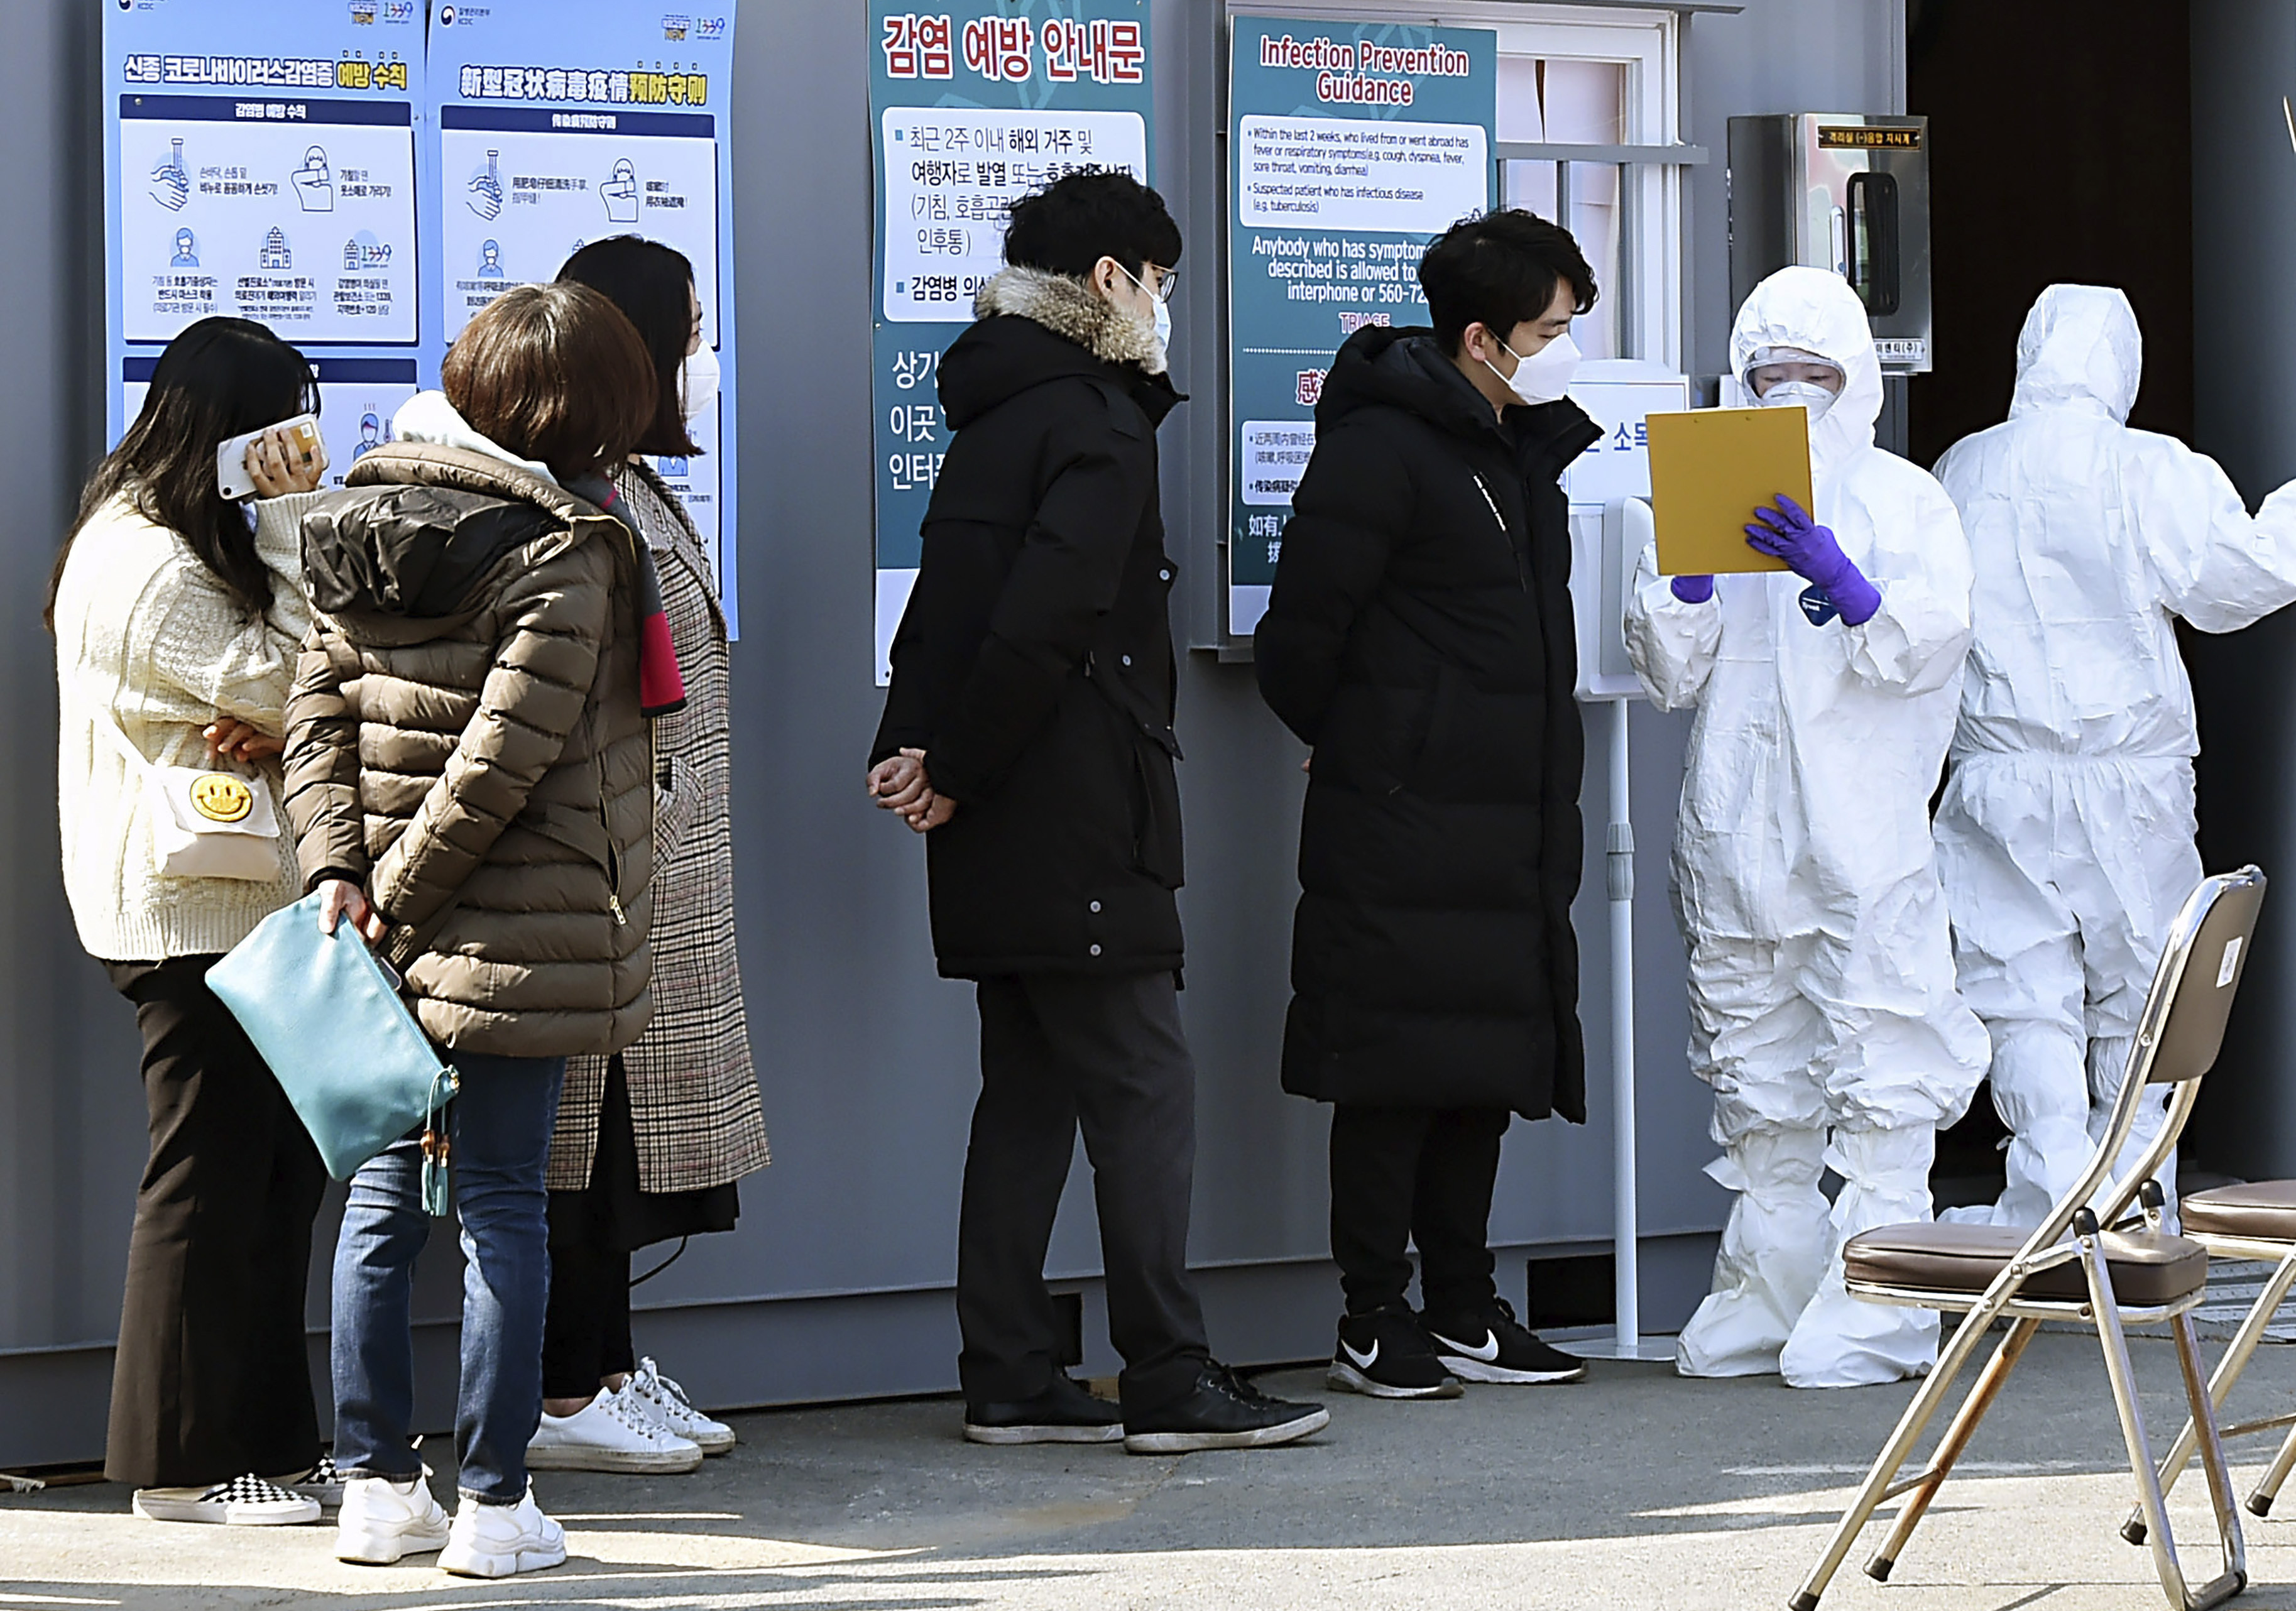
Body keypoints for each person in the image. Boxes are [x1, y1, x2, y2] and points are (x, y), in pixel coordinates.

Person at [867, 170, 1326, 1454]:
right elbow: (1047, 617)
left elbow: (947, 593)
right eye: (1162, 283)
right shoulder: (1099, 418)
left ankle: (1008, 1374)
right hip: (1074, 804)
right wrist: (946, 760)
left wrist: (913, 749)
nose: (1167, 308)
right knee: (1141, 1088)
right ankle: (1168, 1380)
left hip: (996, 809)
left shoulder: (991, 408)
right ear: (1114, 281)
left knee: (1024, 1091)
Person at [287, 282, 667, 1576]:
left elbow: (315, 717)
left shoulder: (356, 518)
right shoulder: (567, 550)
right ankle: (495, 1510)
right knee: (502, 1201)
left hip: (383, 926)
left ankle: (378, 1491)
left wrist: (343, 874)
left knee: (383, 1200)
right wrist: (398, 897)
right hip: (520, 931)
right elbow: (503, 764)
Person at [1932, 284, 2296, 1228]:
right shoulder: (2150, 468)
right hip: (2127, 780)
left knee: (2020, 992)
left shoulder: (1964, 468)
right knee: (2143, 994)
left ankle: (2049, 1202)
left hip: (1996, 777)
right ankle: (2130, 1202)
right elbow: (2234, 578)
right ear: (2120, 365)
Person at [1253, 209, 1600, 1399]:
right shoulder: (1383, 449)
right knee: (1392, 1070)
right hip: (1404, 816)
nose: (1562, 349)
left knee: (1483, 1068)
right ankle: (1371, 1312)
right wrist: (1370, 749)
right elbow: (1299, 637)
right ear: (1480, 336)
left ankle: (1463, 1302)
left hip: (1508, 815)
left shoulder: (1516, 450)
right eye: (1550, 330)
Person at [1622, 266, 1989, 1389]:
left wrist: (1851, 583)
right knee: (1753, 1062)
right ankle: (1769, 1282)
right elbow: (1670, 675)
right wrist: (1680, 584)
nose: (1789, 393)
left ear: (1859, 379)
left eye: (1814, 374)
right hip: (1736, 835)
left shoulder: (1904, 500)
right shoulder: (1704, 495)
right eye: (1766, 374)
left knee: (1879, 1052)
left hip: (1862, 833)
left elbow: (1936, 641)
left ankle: (1881, 1297)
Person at [50, 317, 334, 1526]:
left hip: (237, 903)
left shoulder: (174, 538)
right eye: (279, 438)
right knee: (207, 1181)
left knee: (275, 1180)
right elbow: (298, 669)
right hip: (180, 913)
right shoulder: (145, 560)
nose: (292, 459)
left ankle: (267, 1440)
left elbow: (288, 686)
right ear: (231, 434)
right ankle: (175, 1466)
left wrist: (277, 709)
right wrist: (289, 530)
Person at [523, 235, 770, 1474]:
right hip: (607, 878)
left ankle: (611, 1365)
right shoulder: (577, 501)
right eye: (689, 328)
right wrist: (638, 843)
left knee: (624, 1144)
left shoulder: (628, 482)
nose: (701, 353)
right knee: (580, 1139)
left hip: (655, 877)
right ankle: (564, 1393)